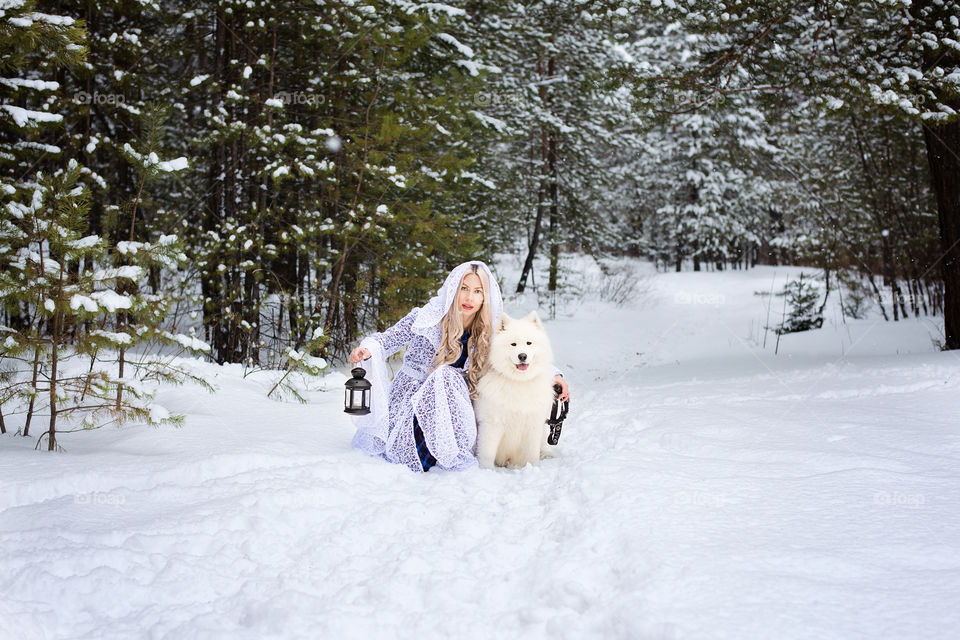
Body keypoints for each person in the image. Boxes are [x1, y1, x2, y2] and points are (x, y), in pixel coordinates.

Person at [348, 261, 571, 473]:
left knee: (448, 379)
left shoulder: (486, 330)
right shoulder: (426, 317)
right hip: (413, 401)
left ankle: (449, 450)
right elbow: (387, 340)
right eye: (464, 288)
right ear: (453, 288)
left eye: (477, 291)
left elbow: (519, 348)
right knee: (444, 375)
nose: (469, 297)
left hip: (454, 404)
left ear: (485, 297)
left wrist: (555, 374)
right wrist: (366, 349)